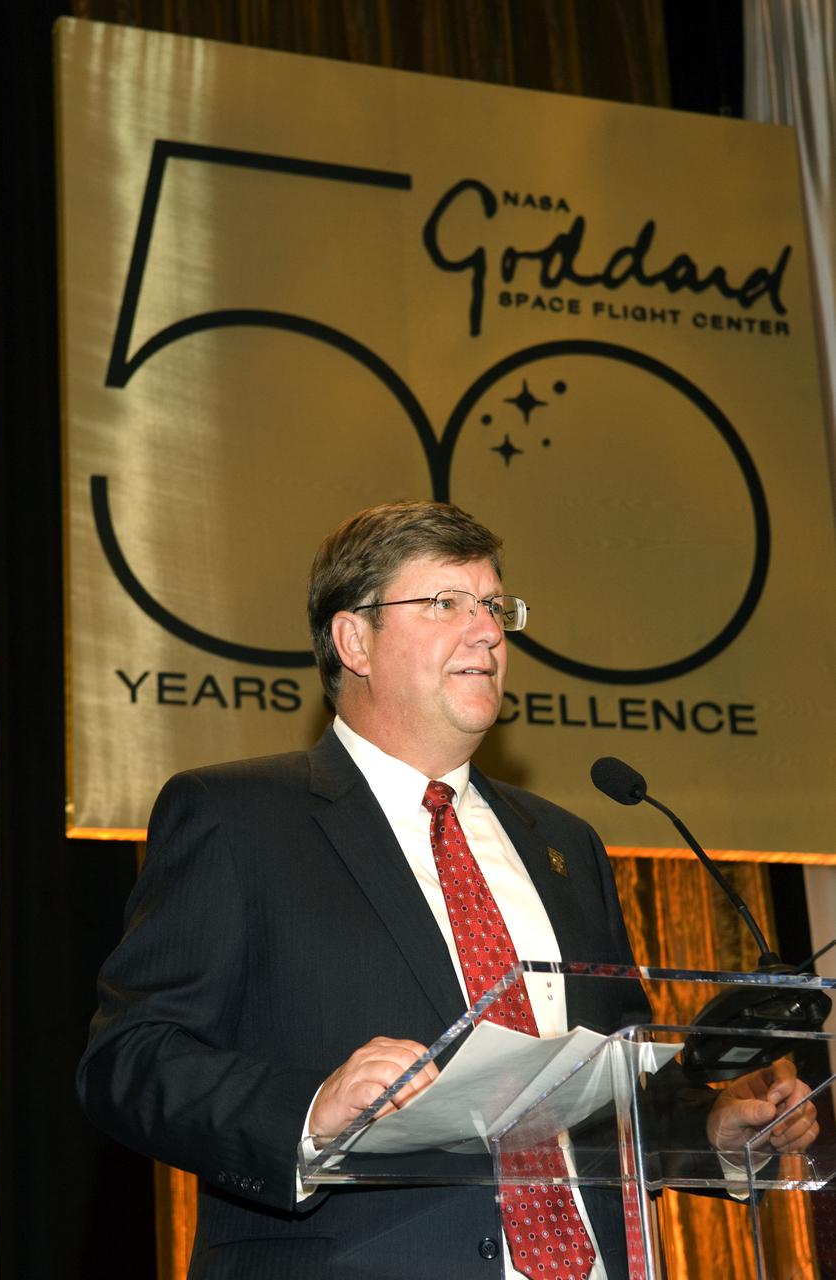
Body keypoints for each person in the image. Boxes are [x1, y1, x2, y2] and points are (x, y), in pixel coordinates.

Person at [78, 500, 817, 1280]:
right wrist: (309, 1108)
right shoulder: (239, 819)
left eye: (495, 607)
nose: (489, 631)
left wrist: (711, 1131)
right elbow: (131, 1059)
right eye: (445, 604)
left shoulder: (565, 843)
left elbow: (608, 1087)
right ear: (353, 639)